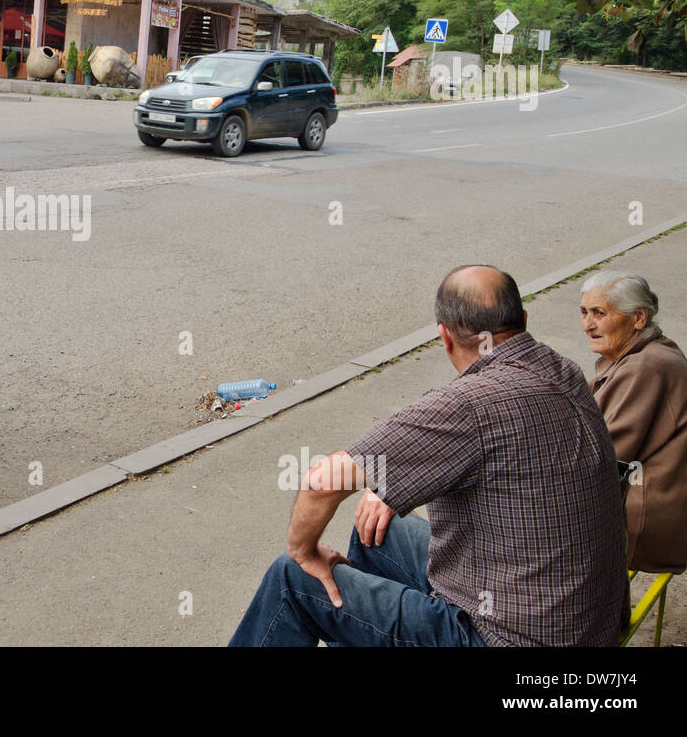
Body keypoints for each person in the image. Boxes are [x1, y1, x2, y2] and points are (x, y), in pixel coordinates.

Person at [229, 265, 628, 647]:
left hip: (504, 636)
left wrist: (305, 552)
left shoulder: (467, 407)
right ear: (522, 318)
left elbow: (321, 483)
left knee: (293, 578)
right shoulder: (564, 369)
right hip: (587, 622)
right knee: (376, 531)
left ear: (445, 336)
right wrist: (387, 486)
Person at [581, 271, 687, 574]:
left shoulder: (645, 366)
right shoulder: (647, 353)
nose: (588, 324)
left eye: (600, 313)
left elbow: (602, 457)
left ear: (639, 317)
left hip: (649, 525)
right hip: (660, 510)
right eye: (584, 312)